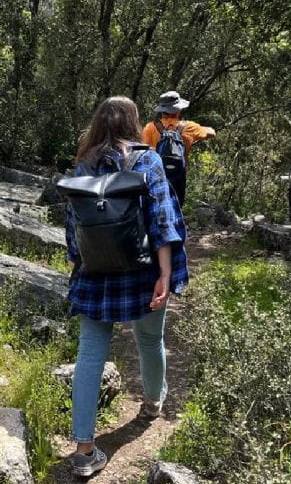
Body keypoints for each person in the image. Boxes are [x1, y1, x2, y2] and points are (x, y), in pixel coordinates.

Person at [65, 96, 188, 477]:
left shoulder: (84, 165)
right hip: (141, 272)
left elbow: (73, 227)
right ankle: (152, 403)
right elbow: (162, 220)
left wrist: (78, 266)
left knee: (89, 354)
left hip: (95, 273)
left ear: (98, 123)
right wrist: (165, 275)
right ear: (133, 123)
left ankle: (84, 451)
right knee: (150, 340)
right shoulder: (146, 160)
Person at [141, 91, 215, 205]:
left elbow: (143, 149)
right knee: (177, 205)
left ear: (162, 110)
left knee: (156, 204)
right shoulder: (189, 127)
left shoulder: (150, 128)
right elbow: (212, 133)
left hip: (156, 174)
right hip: (179, 175)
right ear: (178, 110)